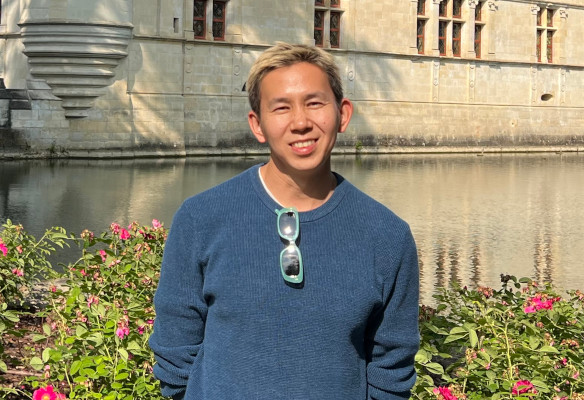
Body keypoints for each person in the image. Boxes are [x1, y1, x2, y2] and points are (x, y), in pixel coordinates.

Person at [149, 42, 420, 400]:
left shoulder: (387, 236)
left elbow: (391, 369)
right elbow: (175, 354)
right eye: (281, 107)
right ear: (257, 125)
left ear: (342, 114)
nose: (301, 123)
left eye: (314, 103)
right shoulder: (201, 219)